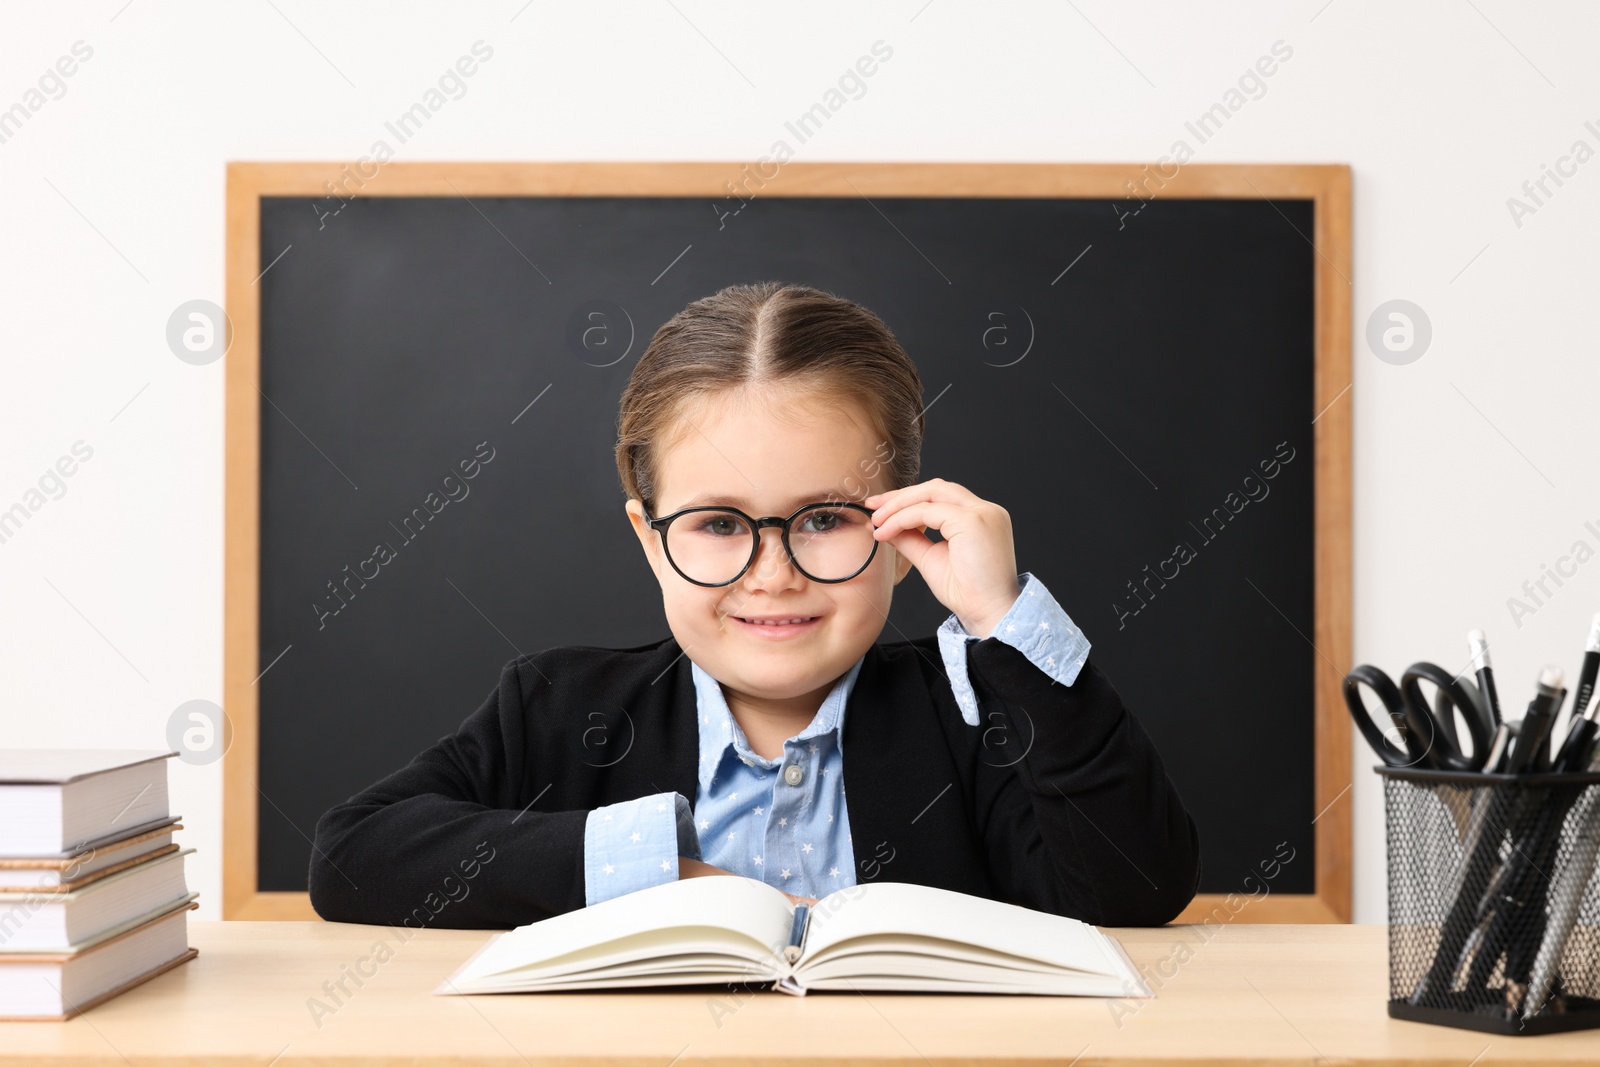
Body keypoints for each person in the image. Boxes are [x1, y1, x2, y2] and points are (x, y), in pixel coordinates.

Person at [309, 280, 1201, 930]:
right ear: (650, 538)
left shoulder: (980, 715)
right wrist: (666, 873)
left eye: (823, 518)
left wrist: (1000, 616)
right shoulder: (555, 707)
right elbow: (354, 855)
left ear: (902, 531)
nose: (772, 574)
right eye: (717, 524)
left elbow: (1135, 890)